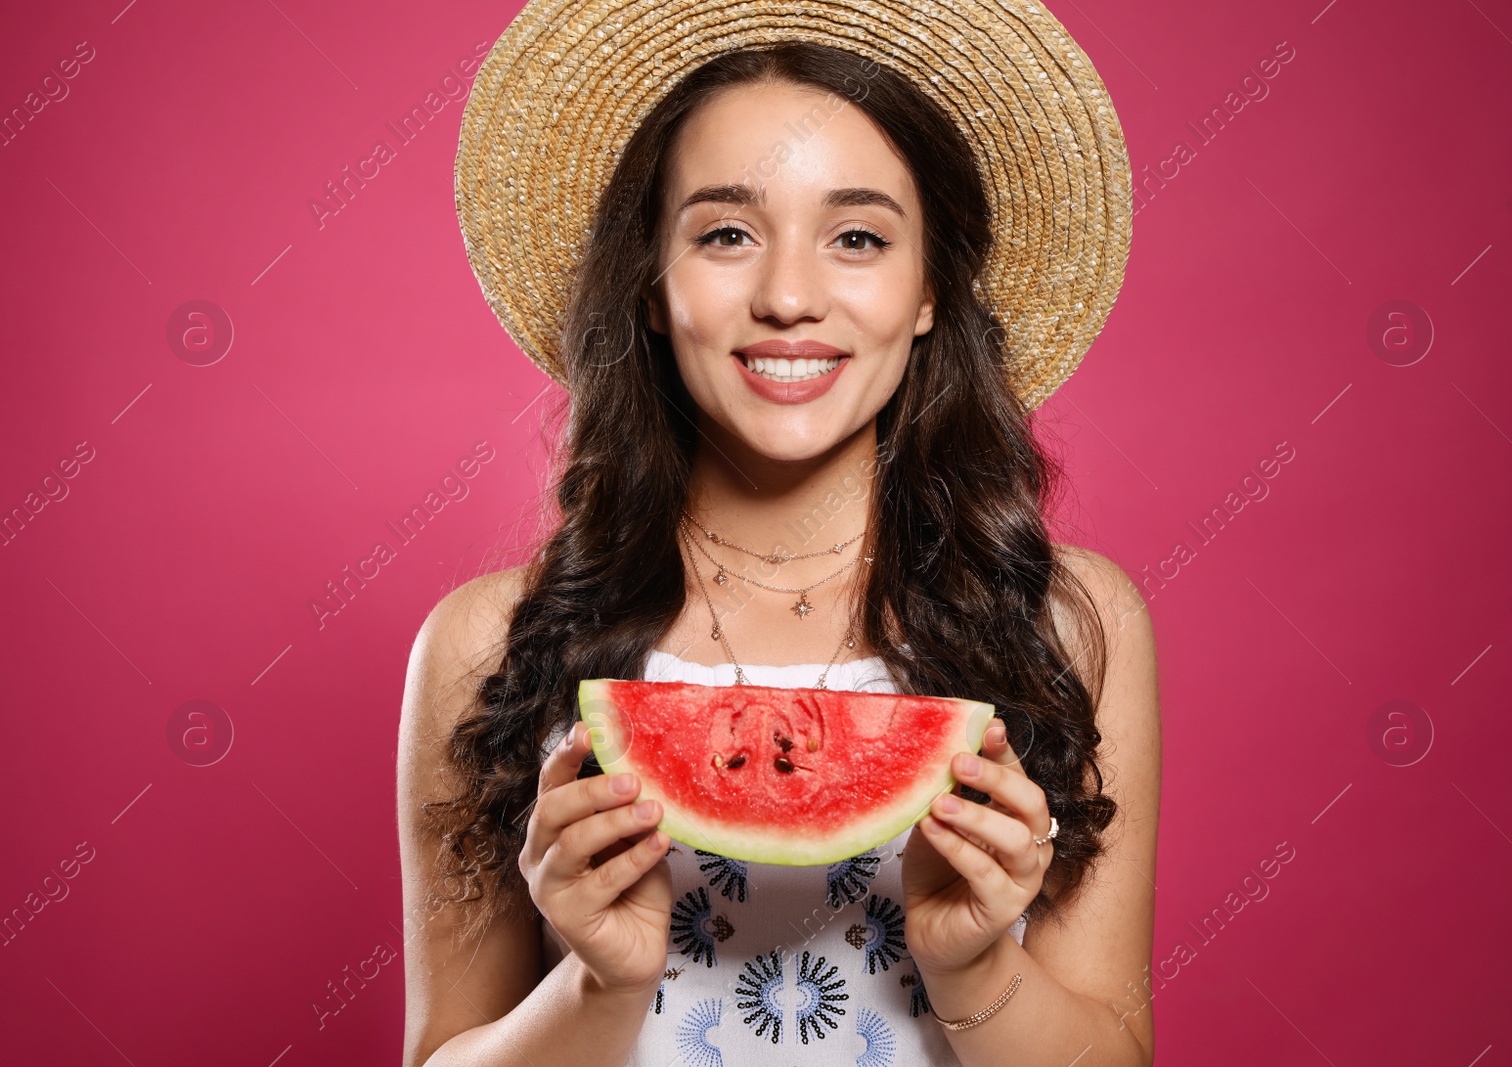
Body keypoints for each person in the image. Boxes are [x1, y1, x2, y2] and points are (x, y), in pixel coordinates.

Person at [399, 4, 1156, 1065]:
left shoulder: (1069, 620)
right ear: (653, 290)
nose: (789, 297)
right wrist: (598, 982)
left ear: (930, 287)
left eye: (857, 237)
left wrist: (975, 964)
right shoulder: (484, 642)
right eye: (724, 233)